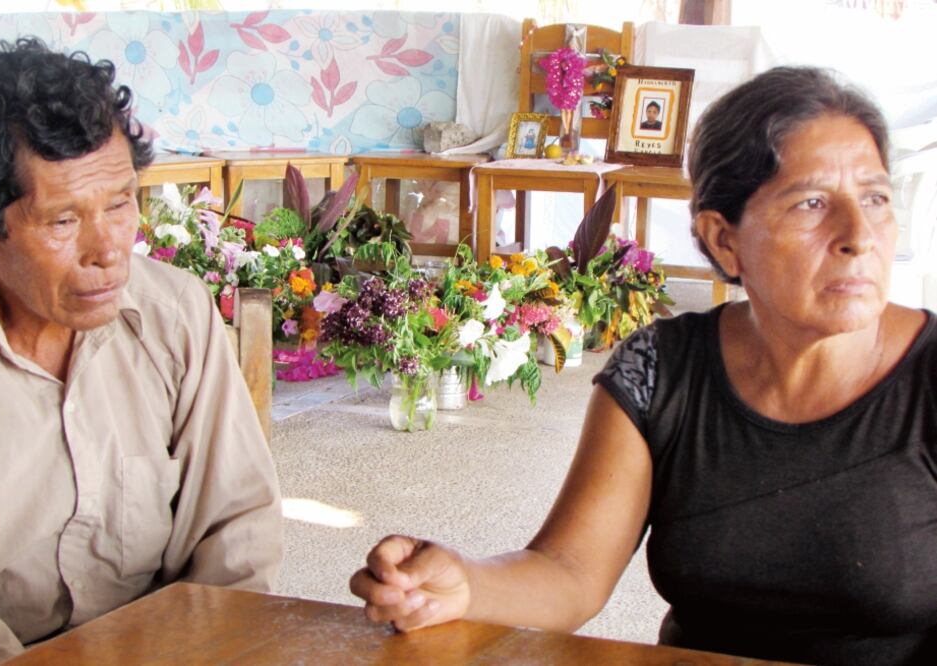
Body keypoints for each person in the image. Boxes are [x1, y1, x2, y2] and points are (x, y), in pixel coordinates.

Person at [350, 66, 937, 665]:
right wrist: (465, 584)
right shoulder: (662, 369)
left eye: (875, 198)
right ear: (724, 240)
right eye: (812, 203)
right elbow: (570, 572)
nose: (859, 235)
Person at [0, 39, 283, 664]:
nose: (109, 250)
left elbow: (235, 536)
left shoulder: (174, 312)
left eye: (121, 203)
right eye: (63, 221)